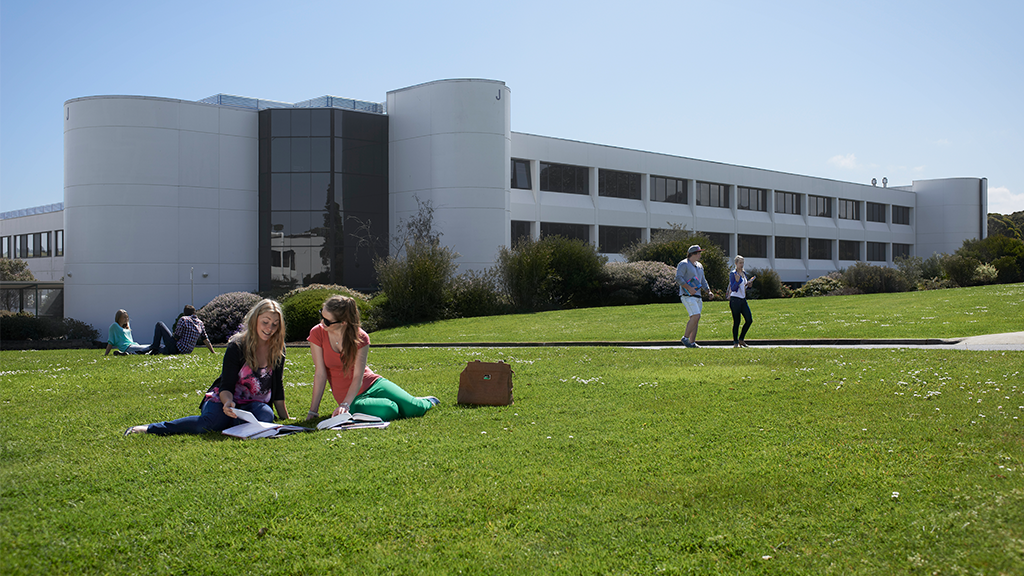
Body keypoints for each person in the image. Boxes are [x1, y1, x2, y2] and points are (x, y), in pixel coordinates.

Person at [124, 299, 291, 436]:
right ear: (255, 320)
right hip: (225, 400)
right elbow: (226, 386)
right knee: (208, 424)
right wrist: (228, 403)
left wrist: (285, 418)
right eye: (265, 322)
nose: (270, 329)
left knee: (266, 416)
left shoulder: (278, 348)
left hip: (254, 404)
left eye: (275, 324)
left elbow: (277, 385)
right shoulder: (238, 346)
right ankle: (151, 428)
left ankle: (230, 422)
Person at [305, 295, 439, 422]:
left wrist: (344, 405)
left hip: (372, 383)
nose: (322, 323)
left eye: (327, 321)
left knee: (415, 409)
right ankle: (400, 404)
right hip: (352, 398)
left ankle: (424, 401)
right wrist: (313, 411)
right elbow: (320, 374)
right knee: (389, 409)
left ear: (343, 322)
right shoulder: (317, 333)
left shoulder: (360, 337)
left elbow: (358, 376)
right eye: (321, 315)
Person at [676, 244, 713, 348]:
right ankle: (685, 338)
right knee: (695, 316)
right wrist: (689, 288)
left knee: (696, 318)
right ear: (693, 254)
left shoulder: (700, 265)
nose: (700, 254)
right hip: (687, 296)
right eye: (699, 252)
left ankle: (692, 343)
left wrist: (708, 291)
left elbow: (703, 280)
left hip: (698, 296)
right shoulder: (683, 264)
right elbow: (678, 278)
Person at [148, 305, 215, 355]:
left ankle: (154, 348)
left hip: (176, 349)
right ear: (194, 313)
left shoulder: (183, 319)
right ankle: (156, 349)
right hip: (186, 351)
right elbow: (205, 339)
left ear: (184, 313)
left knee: (160, 324)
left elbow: (176, 338)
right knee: (161, 348)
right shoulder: (200, 323)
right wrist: (213, 352)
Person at [728, 255, 756, 348]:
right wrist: (737, 281)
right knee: (737, 321)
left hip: (743, 300)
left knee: (749, 320)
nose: (742, 265)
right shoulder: (733, 274)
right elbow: (734, 288)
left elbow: (744, 287)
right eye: (740, 263)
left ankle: (741, 339)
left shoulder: (744, 273)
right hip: (735, 300)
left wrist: (749, 284)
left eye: (743, 263)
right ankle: (735, 342)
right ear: (736, 263)